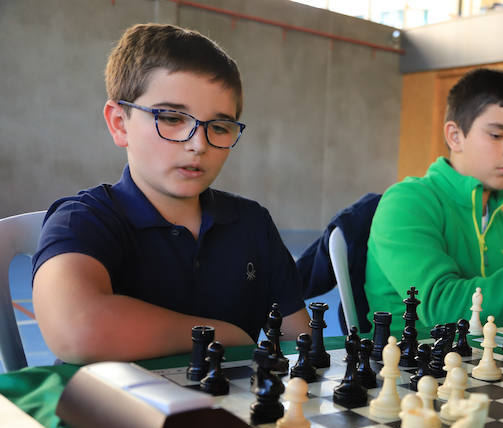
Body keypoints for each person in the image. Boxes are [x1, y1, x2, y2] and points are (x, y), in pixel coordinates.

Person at [32, 24, 310, 364]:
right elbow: (75, 328)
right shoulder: (85, 220)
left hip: (230, 408)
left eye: (219, 127)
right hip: (115, 412)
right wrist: (222, 336)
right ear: (120, 123)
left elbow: (299, 339)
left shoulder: (252, 223)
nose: (198, 144)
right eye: (172, 118)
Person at [365, 68, 503, 333]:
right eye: (497, 135)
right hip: (410, 367)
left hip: (487, 370)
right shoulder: (406, 203)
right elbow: (442, 308)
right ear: (455, 136)